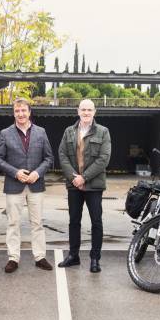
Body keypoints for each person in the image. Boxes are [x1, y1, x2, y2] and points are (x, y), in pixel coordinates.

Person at [0, 98, 54, 273]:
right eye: (17, 111)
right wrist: (15, 172)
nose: (20, 114)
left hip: (36, 185)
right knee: (13, 223)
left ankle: (40, 256)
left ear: (29, 112)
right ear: (14, 113)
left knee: (37, 223)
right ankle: (13, 258)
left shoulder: (41, 132)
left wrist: (37, 173)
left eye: (23, 111)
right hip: (14, 185)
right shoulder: (5, 133)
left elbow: (49, 158)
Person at [57, 99, 111, 273]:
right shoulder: (68, 131)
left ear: (94, 112)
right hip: (74, 185)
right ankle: (74, 256)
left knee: (96, 222)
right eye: (83, 109)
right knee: (74, 221)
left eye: (89, 110)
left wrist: (84, 178)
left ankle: (95, 259)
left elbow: (104, 159)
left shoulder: (103, 132)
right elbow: (62, 155)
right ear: (78, 111)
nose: (86, 112)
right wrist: (75, 178)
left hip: (93, 186)